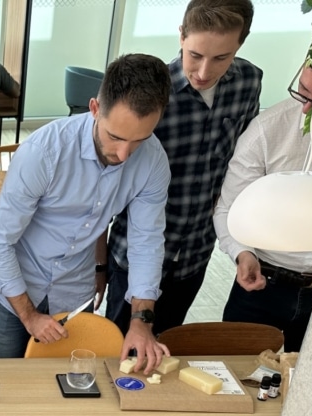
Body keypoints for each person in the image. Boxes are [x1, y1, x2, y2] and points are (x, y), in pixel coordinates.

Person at [0, 54, 171, 371]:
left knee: (69, 382)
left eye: (139, 140)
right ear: (95, 108)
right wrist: (29, 315)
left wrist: (141, 321)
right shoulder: (44, 151)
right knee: (0, 380)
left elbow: (146, 242)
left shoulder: (153, 161)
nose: (124, 154)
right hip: (15, 287)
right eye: (115, 137)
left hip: (74, 290)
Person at [104, 0, 262, 336]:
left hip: (195, 253)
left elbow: (241, 165)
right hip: (135, 255)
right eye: (195, 55)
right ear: (181, 36)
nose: (204, 72)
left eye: (221, 58)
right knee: (116, 348)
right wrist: (98, 265)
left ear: (240, 45)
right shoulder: (148, 95)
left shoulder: (248, 82)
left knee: (166, 347)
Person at [214, 56, 312, 351]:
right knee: (236, 371)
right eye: (302, 91)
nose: (306, 108)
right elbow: (227, 208)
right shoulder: (268, 130)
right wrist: (242, 254)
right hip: (263, 284)